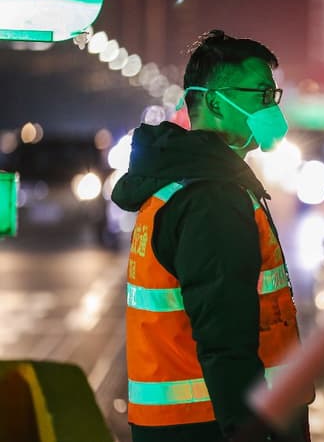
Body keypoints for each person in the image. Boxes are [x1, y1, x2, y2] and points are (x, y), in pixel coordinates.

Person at [112, 30, 313, 442]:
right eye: (260, 94)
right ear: (217, 102)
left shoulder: (181, 185)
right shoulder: (211, 199)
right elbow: (226, 340)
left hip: (187, 424)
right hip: (213, 425)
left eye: (274, 94)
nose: (271, 106)